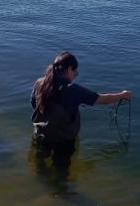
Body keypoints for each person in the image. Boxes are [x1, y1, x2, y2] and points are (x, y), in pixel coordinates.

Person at [30, 52, 131, 185]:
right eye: (75, 72)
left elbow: (33, 103)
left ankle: (41, 185)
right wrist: (122, 95)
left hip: (40, 136)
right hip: (63, 141)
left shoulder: (39, 83)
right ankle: (59, 193)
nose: (74, 76)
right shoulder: (72, 89)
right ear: (69, 69)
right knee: (62, 172)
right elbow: (102, 99)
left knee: (40, 166)